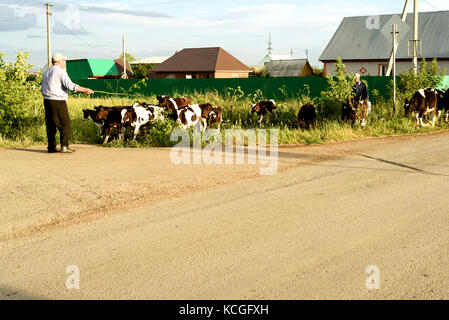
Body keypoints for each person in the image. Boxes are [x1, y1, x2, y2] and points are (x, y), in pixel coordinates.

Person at [41, 53, 94, 153]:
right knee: (65, 123)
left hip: (47, 101)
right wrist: (85, 89)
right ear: (60, 61)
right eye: (64, 61)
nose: (65, 62)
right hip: (58, 101)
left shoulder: (46, 72)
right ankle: (64, 146)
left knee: (51, 124)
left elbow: (42, 88)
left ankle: (51, 147)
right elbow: (70, 85)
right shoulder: (60, 71)